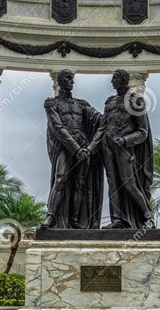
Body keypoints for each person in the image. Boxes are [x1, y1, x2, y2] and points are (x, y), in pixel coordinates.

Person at [89, 69, 153, 228]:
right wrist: (91, 148)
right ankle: (117, 220)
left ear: (124, 80)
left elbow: (142, 132)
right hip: (107, 147)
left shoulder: (136, 101)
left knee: (129, 184)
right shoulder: (109, 102)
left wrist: (125, 140)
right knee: (113, 184)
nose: (112, 82)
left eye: (115, 78)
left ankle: (148, 217)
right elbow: (102, 128)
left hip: (124, 149)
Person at [42, 70, 103, 228]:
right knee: (60, 178)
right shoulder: (51, 103)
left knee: (80, 183)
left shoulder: (81, 104)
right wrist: (76, 149)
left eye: (72, 79)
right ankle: (51, 217)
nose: (72, 82)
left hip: (83, 144)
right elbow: (58, 128)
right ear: (60, 81)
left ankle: (75, 220)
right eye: (69, 79)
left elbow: (98, 119)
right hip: (66, 146)